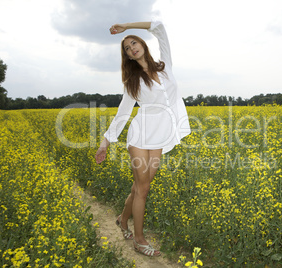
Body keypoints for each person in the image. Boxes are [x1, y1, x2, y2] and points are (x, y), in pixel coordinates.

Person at [95, 20, 191, 257]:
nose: (131, 48)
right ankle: (139, 240)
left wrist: (126, 27)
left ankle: (122, 219)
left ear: (142, 44)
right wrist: (105, 142)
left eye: (134, 43)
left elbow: (159, 26)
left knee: (140, 185)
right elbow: (123, 113)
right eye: (127, 49)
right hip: (140, 135)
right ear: (126, 57)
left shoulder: (164, 66)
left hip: (160, 135)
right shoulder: (132, 81)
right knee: (143, 188)